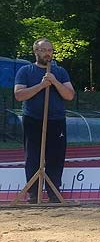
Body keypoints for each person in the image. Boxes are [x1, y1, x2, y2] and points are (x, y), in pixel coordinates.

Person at [14, 38, 75, 203]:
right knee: (33, 156)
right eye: (43, 50)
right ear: (36, 52)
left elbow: (69, 95)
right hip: (33, 119)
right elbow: (19, 95)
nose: (47, 53)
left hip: (56, 120)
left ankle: (54, 192)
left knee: (56, 157)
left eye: (50, 50)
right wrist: (41, 86)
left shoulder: (60, 72)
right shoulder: (25, 71)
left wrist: (54, 81)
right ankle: (34, 193)